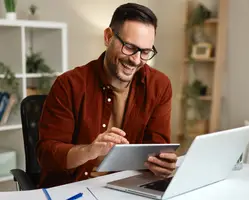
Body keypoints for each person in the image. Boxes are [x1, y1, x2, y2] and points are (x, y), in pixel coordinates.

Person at [36, 2, 177, 188]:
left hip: (126, 187)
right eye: (129, 47)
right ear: (108, 36)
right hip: (73, 187)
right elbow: (47, 156)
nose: (135, 60)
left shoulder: (160, 85)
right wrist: (89, 151)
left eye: (145, 52)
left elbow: (155, 147)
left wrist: (161, 163)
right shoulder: (69, 84)